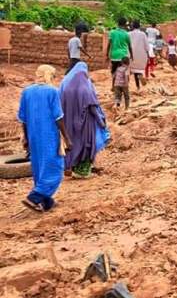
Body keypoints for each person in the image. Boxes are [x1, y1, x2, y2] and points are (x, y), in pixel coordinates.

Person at [18, 65, 71, 212]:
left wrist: (26, 138)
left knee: (39, 166)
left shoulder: (27, 91)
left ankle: (47, 202)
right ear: (50, 76)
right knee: (55, 167)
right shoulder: (52, 91)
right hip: (49, 136)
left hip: (33, 136)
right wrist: (67, 139)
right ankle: (34, 197)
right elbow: (58, 118)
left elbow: (23, 118)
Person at [60, 62, 109, 178]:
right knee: (86, 145)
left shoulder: (66, 88)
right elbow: (92, 107)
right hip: (85, 124)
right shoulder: (86, 88)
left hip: (69, 124)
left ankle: (71, 167)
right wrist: (101, 122)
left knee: (73, 145)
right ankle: (83, 172)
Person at [107, 17, 132, 91]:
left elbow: (109, 44)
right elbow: (129, 46)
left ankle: (113, 86)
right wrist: (132, 55)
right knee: (125, 72)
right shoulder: (126, 34)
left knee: (114, 72)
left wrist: (107, 54)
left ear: (117, 24)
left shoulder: (112, 32)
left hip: (114, 55)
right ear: (125, 25)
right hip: (124, 56)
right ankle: (125, 87)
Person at [129, 20, 149, 90]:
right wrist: (147, 54)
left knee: (134, 70)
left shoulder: (129, 34)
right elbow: (147, 46)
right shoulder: (143, 34)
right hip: (141, 54)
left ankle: (138, 86)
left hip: (132, 54)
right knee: (139, 70)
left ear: (132, 26)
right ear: (139, 26)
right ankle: (140, 75)